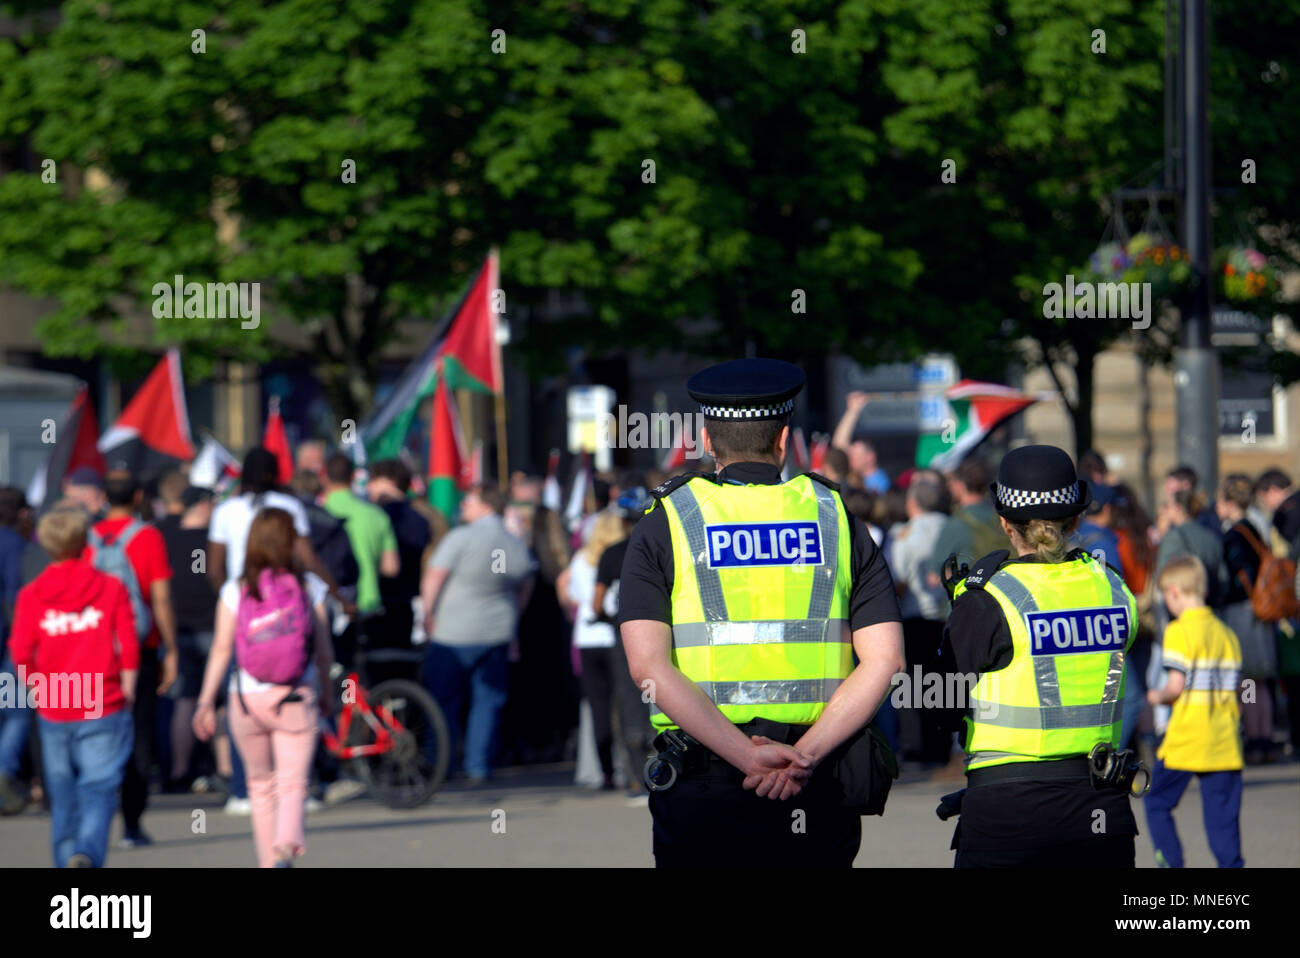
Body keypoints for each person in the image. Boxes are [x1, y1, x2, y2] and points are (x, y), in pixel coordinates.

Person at [620, 358, 905, 868]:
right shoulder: (836, 517)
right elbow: (885, 661)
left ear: (708, 441)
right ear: (783, 441)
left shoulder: (666, 521)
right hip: (816, 779)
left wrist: (745, 755)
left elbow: (648, 667)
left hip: (704, 783)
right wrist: (805, 756)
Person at [938, 444, 1139, 867]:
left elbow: (940, 705)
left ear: (1005, 523)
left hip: (1007, 815)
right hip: (1100, 808)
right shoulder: (1115, 590)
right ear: (1077, 518)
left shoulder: (988, 599)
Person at [193, 508, 335, 867]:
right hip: (294, 696)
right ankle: (287, 845)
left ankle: (268, 863)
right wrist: (328, 695)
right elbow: (322, 650)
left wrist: (206, 701)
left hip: (246, 699)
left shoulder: (235, 589)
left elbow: (223, 648)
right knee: (292, 783)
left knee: (259, 786)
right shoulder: (309, 587)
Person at [9, 506, 138, 867]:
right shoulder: (111, 587)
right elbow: (127, 644)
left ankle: (69, 863)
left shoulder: (31, 595)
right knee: (97, 789)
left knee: (62, 793)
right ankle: (86, 853)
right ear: (84, 542)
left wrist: (37, 688)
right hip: (103, 698)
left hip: (55, 703)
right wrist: (128, 688)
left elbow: (20, 652)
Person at [85, 469, 178, 849]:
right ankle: (132, 825)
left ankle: (92, 825)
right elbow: (160, 597)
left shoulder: (86, 538)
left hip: (94, 647)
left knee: (96, 735)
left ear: (104, 497)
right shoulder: (147, 536)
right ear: (138, 496)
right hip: (139, 649)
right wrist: (170, 648)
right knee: (138, 734)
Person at [420, 483, 535, 782]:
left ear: (485, 505)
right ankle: (478, 765)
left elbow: (435, 576)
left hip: (454, 631)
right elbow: (526, 582)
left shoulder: (461, 537)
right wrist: (514, 615)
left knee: (443, 701)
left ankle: (440, 763)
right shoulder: (514, 540)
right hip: (497, 630)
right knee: (488, 701)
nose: (463, 507)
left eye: (468, 501)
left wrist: (428, 613)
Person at [1143, 556, 1244, 867]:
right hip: (1224, 741)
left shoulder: (1178, 631)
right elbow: (1242, 689)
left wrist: (1156, 696)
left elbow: (1175, 686)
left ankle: (1171, 861)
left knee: (1157, 802)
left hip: (1187, 740)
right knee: (1222, 821)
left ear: (1174, 592)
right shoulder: (1227, 634)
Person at [154, 476, 220, 790]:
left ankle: (179, 772)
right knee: (219, 702)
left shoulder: (166, 539)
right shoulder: (216, 541)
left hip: (179, 631)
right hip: (213, 632)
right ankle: (226, 771)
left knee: (184, 702)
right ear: (203, 505)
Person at [885, 474, 953, 766]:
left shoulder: (904, 533)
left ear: (913, 503)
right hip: (949, 617)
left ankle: (919, 746)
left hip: (915, 616)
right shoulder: (955, 529)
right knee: (947, 681)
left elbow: (895, 579)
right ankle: (944, 745)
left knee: (914, 686)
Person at [592, 487, 654, 798]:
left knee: (628, 702)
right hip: (658, 634)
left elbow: (596, 601)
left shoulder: (612, 553)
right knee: (660, 697)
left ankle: (635, 778)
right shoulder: (657, 548)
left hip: (623, 637)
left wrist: (606, 616)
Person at [558, 510, 626, 790]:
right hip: (617, 638)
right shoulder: (624, 555)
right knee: (625, 706)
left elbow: (568, 593)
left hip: (587, 638)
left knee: (598, 708)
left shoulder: (581, 560)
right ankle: (628, 768)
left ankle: (605, 772)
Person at [1217, 474, 1278, 763]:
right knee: (1261, 682)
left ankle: (1255, 739)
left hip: (1243, 612)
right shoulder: (1255, 528)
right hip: (1262, 610)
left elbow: (1234, 579)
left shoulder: (1234, 535)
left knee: (1248, 681)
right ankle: (1265, 737)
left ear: (1229, 502)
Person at [321, 453, 399, 669]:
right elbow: (391, 568)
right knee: (361, 671)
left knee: (333, 670)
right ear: (354, 477)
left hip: (330, 605)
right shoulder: (376, 514)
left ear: (324, 477)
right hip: (368, 603)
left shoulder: (318, 512)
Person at [366, 458, 431, 681]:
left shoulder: (374, 517)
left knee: (374, 673)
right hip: (409, 605)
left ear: (391, 481)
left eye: (374, 480)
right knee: (401, 672)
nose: (369, 487)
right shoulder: (423, 520)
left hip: (376, 604)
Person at [927, 457, 1002, 597]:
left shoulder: (956, 523)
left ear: (959, 485)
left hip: (969, 601)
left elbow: (933, 577)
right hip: (1001, 596)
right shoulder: (999, 516)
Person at [832, 391, 890, 493]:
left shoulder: (879, 483)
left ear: (870, 457)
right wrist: (853, 410)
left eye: (854, 456)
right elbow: (839, 448)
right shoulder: (856, 477)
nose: (849, 458)